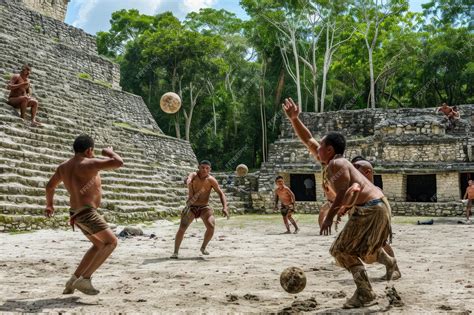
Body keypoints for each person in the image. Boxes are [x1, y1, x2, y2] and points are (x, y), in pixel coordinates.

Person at [282, 97, 397, 309]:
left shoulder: (337, 163)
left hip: (371, 209)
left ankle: (365, 293)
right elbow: (307, 139)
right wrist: (294, 119)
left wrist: (330, 216)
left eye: (321, 145)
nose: (317, 147)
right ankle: (389, 264)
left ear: (330, 149)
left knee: (340, 251)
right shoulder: (331, 161)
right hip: (375, 206)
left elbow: (345, 190)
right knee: (359, 250)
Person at [45, 134, 123, 295]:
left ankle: (73, 280)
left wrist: (50, 205)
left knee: (98, 245)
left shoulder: (63, 167)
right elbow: (119, 162)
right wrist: (109, 152)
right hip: (87, 213)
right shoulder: (89, 163)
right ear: (89, 150)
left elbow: (49, 186)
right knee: (111, 242)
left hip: (76, 214)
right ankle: (85, 279)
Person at [350, 156, 401, 280]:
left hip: (374, 222)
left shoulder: (375, 190)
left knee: (381, 244)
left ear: (367, 172)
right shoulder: (356, 188)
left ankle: (395, 269)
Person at [171, 160, 229, 259]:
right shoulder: (194, 175)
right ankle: (175, 252)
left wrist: (225, 207)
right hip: (191, 207)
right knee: (182, 228)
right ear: (199, 167)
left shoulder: (211, 180)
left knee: (211, 226)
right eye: (202, 167)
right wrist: (188, 180)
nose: (204, 170)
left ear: (210, 169)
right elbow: (189, 177)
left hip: (204, 207)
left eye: (207, 168)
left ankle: (203, 247)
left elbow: (221, 193)